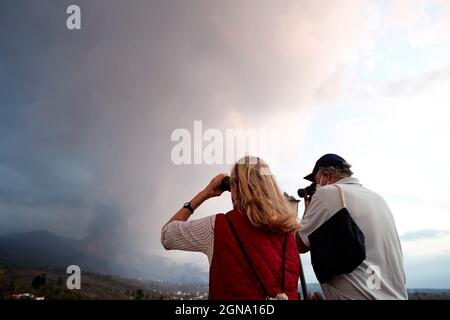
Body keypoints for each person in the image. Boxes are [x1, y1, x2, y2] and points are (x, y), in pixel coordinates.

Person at [161, 156, 300, 300]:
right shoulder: (289, 231)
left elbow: (166, 235)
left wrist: (205, 193)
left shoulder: (218, 227)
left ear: (234, 187)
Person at [296, 153, 407, 299]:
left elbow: (299, 244)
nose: (316, 188)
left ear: (326, 176)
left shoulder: (327, 193)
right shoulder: (378, 199)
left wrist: (308, 209)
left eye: (316, 182)